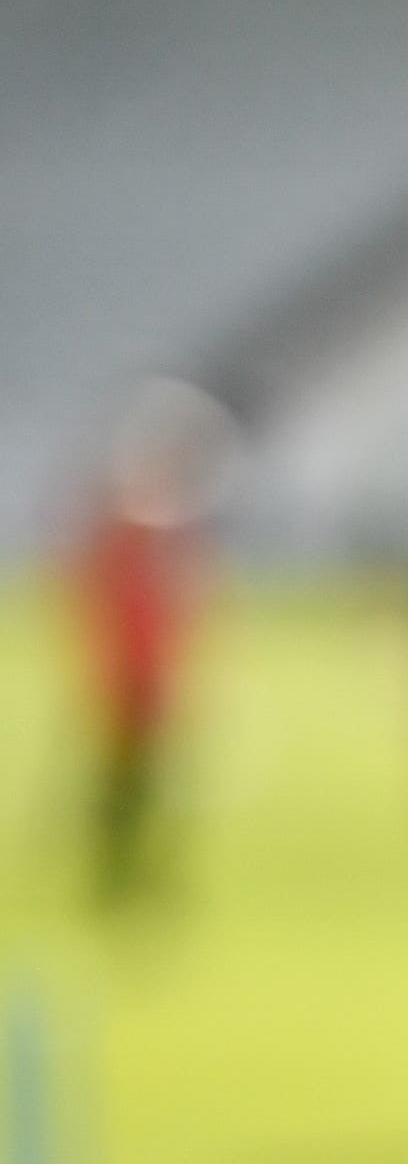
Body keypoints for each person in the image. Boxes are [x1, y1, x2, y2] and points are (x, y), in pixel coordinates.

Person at [69, 381, 227, 909]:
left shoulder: (151, 544)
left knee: (142, 782)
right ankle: (116, 873)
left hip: (150, 675)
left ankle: (130, 873)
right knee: (125, 783)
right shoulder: (124, 539)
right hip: (128, 678)